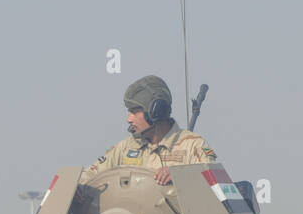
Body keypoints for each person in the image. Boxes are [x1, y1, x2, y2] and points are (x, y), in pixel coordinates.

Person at [79, 75, 218, 187]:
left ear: (156, 111)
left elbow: (216, 181)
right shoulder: (125, 148)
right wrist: (75, 188)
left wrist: (180, 175)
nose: (129, 119)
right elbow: (90, 175)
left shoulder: (193, 145)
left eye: (134, 112)